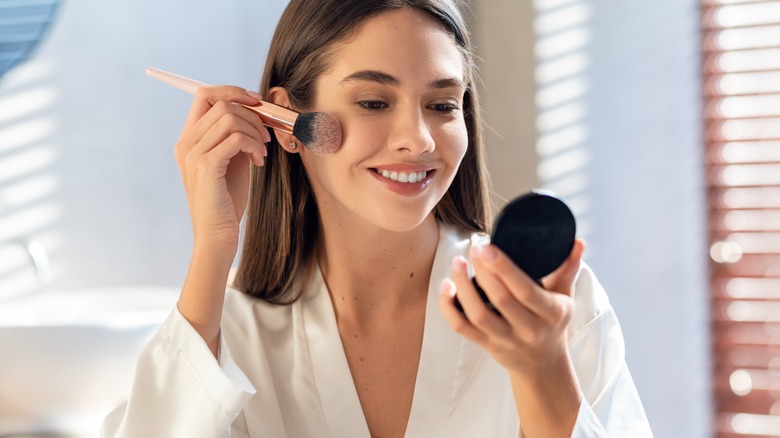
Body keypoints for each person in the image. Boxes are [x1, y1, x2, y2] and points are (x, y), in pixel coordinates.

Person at [102, 0, 652, 436]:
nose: (417, 139)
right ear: (288, 120)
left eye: (442, 106)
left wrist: (542, 372)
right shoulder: (230, 338)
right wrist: (214, 247)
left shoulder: (548, 303)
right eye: (373, 102)